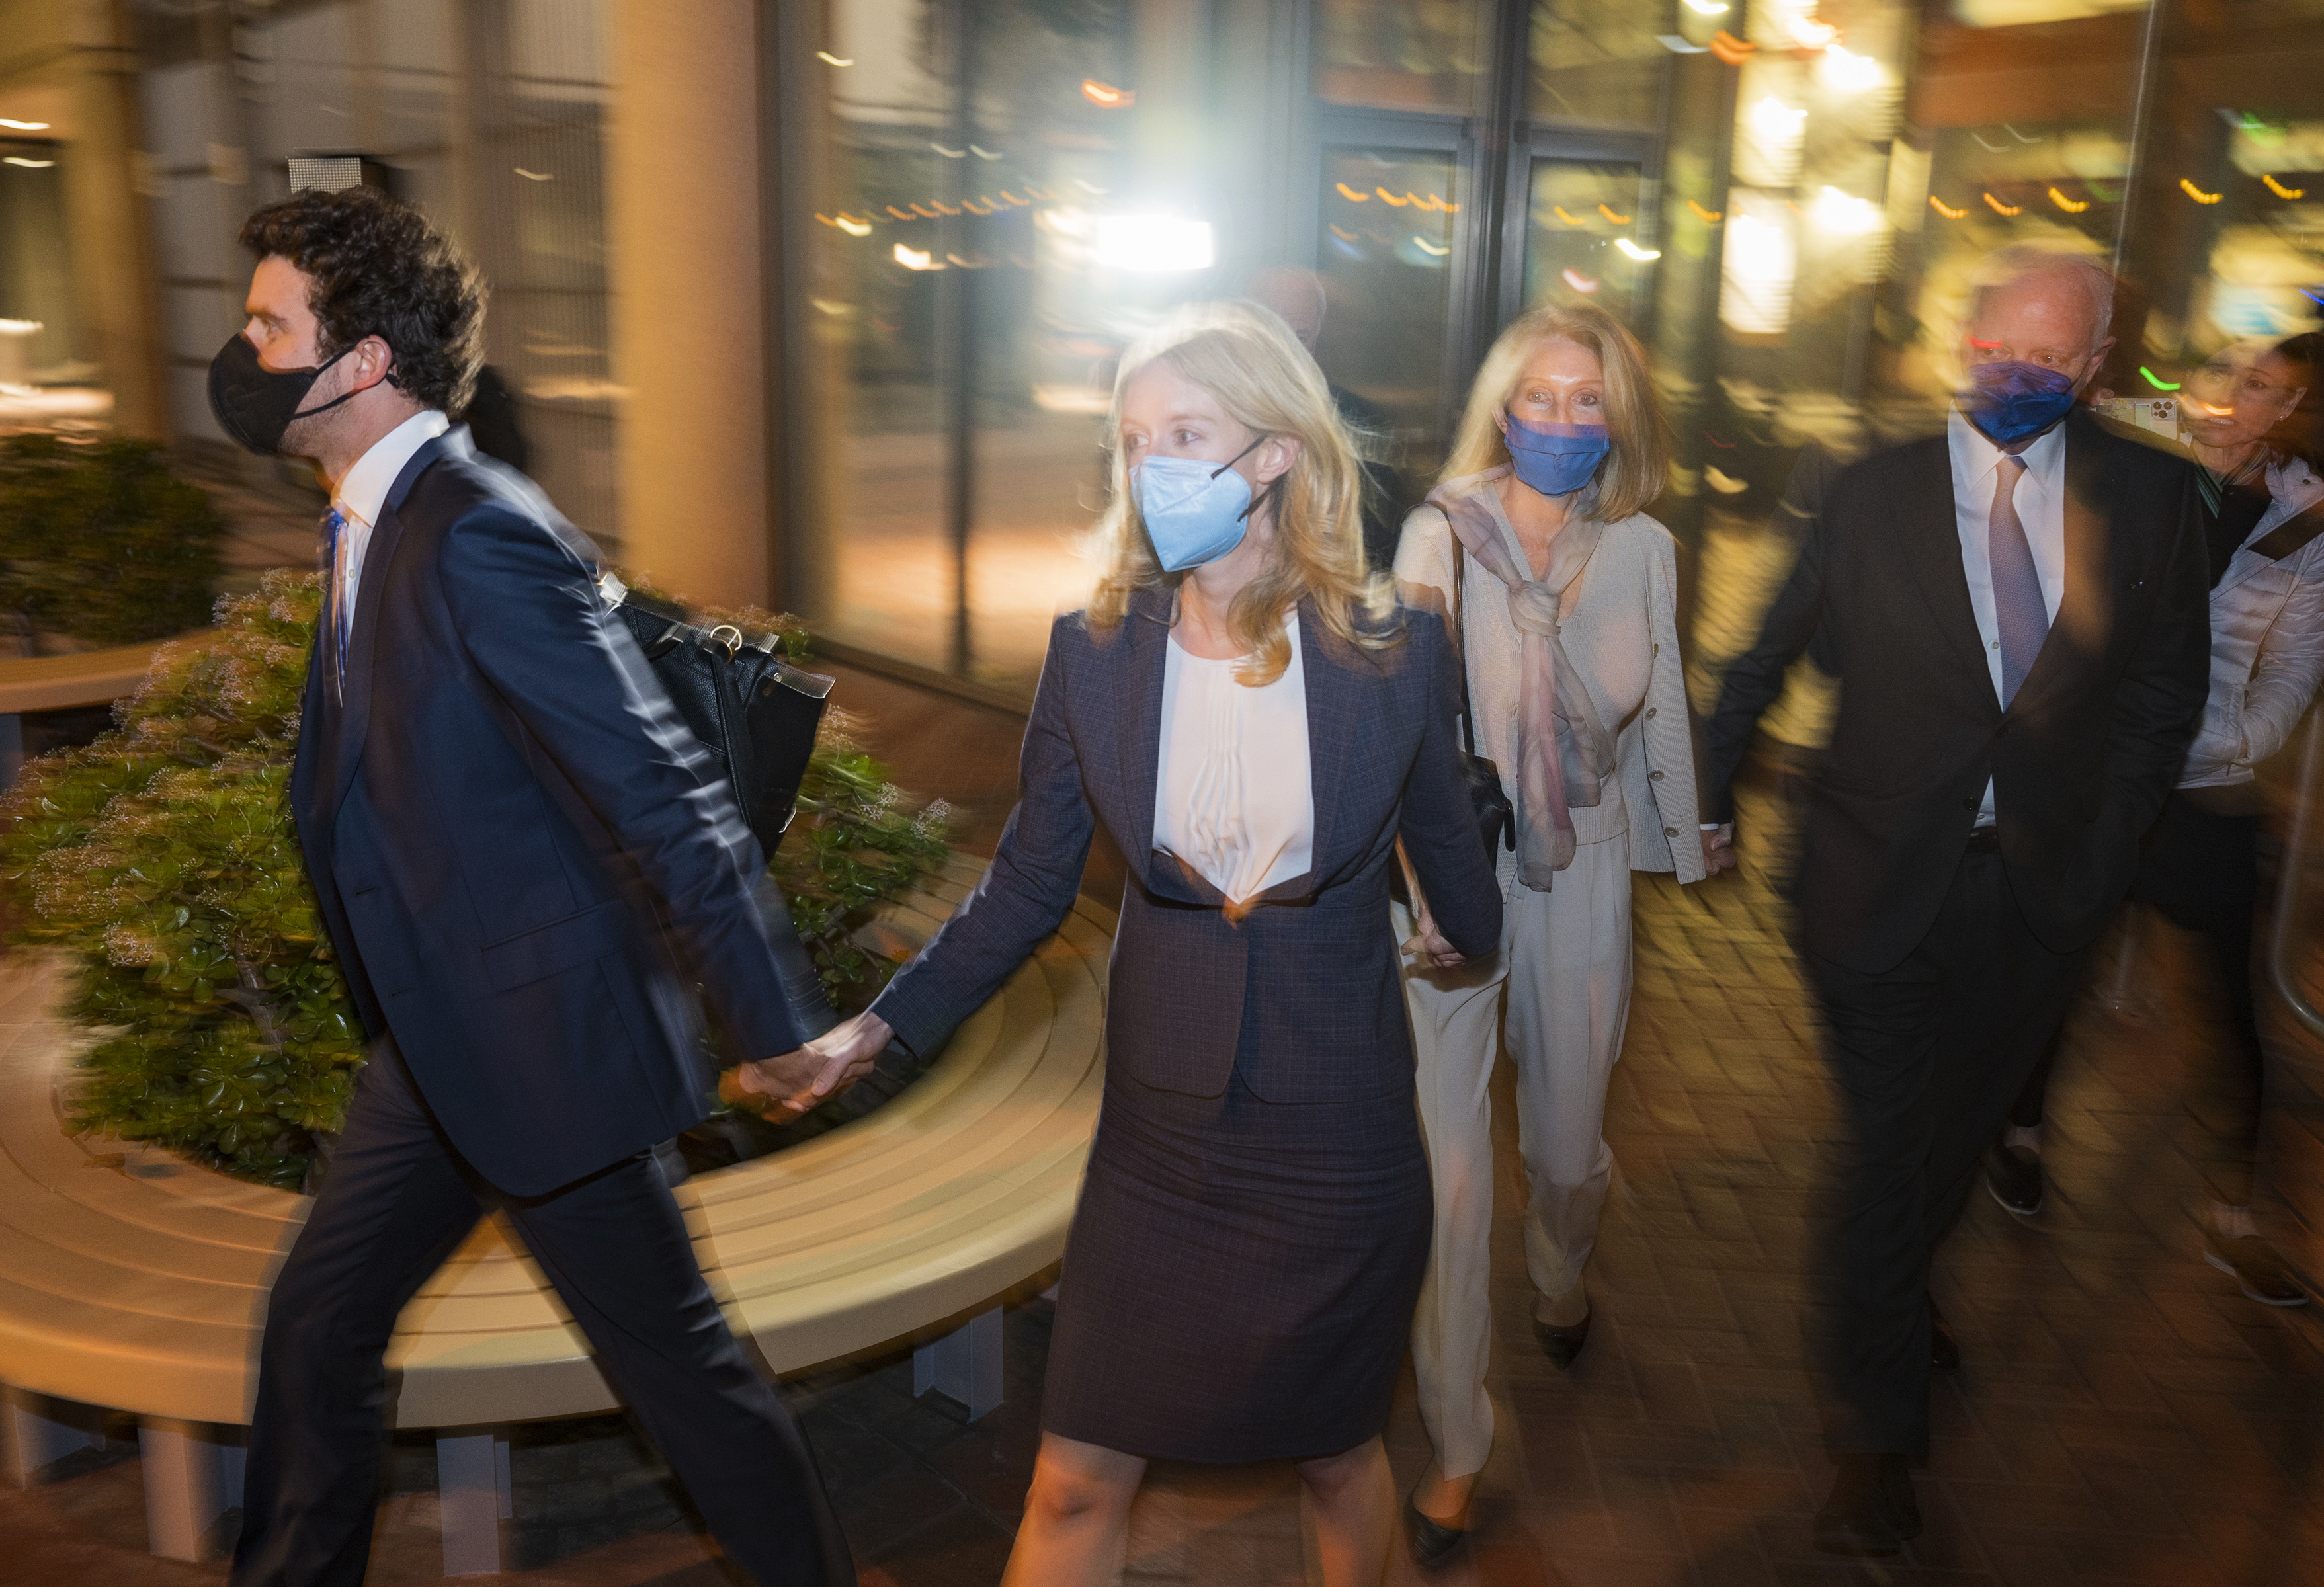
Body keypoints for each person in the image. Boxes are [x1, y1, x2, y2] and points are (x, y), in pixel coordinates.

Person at [751, 299, 1503, 1587]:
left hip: (1338, 1136)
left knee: (1337, 1461)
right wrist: (873, 1029)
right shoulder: (1095, 656)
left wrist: (1455, 923)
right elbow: (1024, 890)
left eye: (1188, 434)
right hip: (1159, 1147)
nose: (1155, 465)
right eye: (1134, 438)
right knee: (1076, 1478)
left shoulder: (1390, 654)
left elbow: (1457, 869)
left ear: (1276, 452)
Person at [214, 186, 854, 1587]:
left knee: (685, 1379)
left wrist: (774, 1017)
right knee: (318, 1326)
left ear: (362, 360)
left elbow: (660, 786)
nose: (242, 352)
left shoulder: (475, 529)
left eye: (268, 327)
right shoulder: (368, 519)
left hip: (543, 1042)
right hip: (442, 1038)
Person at [1702, 243, 2208, 1557]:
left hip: (2041, 896)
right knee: (1886, 1151)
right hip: (1871, 881)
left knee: (1949, 1143)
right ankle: (1875, 1445)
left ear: (2096, 364)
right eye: (2001, 348)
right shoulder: (1866, 489)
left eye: (2051, 355)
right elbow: (1766, 650)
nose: (2020, 372)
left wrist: (2111, 846)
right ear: (1964, 341)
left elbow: (2164, 694)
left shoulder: (2158, 498)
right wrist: (1704, 791)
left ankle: (1895, 1292)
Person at [1387, 302, 1710, 1562]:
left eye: (1587, 399)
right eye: (1540, 396)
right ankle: (1458, 1443)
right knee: (1450, 1181)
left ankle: (1565, 1271)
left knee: (1567, 1152)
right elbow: (1403, 714)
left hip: (1582, 872)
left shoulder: (1645, 550)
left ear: (1619, 416)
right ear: (1503, 408)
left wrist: (1684, 837)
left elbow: (1660, 704)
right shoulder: (1439, 533)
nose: (1562, 420)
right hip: (1453, 872)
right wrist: (1413, 876)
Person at [1990, 337, 2324, 1306]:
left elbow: (2302, 657)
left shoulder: (2305, 519)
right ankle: (2020, 1136)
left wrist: (2245, 739)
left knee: (2229, 1003)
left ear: (2288, 411)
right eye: (2224, 372)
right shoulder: (2136, 445)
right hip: (2104, 766)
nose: (2234, 396)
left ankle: (2235, 1217)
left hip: (2203, 784)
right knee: (2059, 963)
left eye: (2262, 387)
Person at [1245, 264, 1409, 571]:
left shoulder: (1356, 421)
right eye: (1277, 334)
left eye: (1301, 336)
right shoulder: (1212, 414)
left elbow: (1374, 549)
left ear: (1317, 337)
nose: (1289, 352)